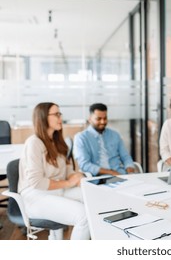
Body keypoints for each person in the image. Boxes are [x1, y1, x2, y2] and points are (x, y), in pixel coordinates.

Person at [18, 102, 90, 240]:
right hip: (35, 196)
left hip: (57, 190)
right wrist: (69, 183)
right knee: (83, 216)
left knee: (92, 198)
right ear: (44, 117)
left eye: (60, 113)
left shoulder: (56, 140)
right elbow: (36, 182)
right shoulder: (34, 143)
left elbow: (67, 168)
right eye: (56, 114)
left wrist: (76, 176)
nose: (60, 117)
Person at [74, 103, 135, 176]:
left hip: (120, 174)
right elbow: (84, 165)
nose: (102, 122)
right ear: (90, 119)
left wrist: (130, 171)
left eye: (105, 118)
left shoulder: (115, 135)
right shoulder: (81, 138)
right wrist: (111, 173)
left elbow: (125, 157)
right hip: (97, 179)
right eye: (98, 119)